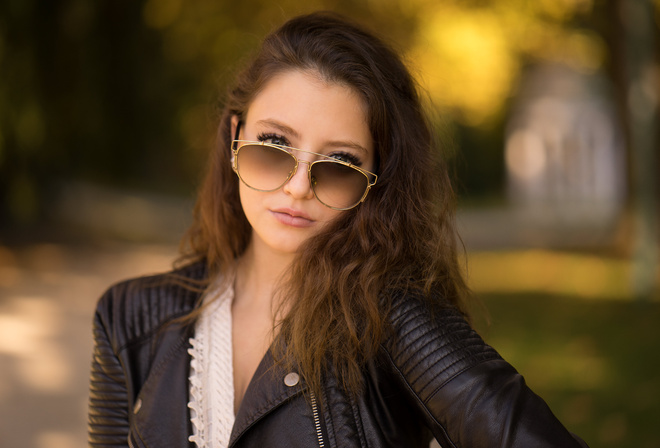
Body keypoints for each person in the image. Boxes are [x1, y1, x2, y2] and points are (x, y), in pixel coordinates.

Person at [87, 12, 589, 448]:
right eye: (274, 145)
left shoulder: (394, 322)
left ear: (376, 182)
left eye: (339, 163)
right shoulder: (128, 321)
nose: (299, 187)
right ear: (235, 136)